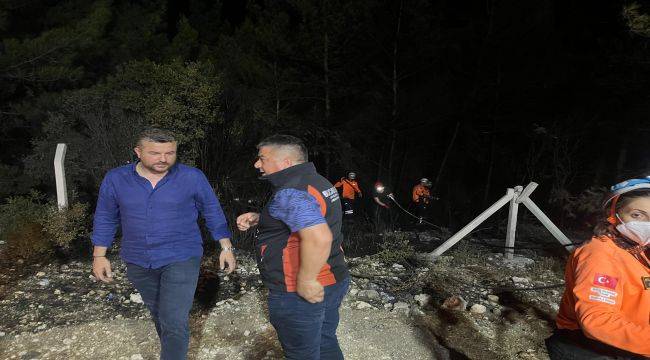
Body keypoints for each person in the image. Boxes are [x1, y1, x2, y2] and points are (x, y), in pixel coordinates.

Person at [91, 128, 236, 360]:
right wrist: (99, 256)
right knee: (159, 314)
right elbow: (105, 217)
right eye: (155, 153)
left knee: (174, 320)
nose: (163, 159)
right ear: (138, 152)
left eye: (170, 153)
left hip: (181, 255)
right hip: (137, 259)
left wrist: (226, 247)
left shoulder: (192, 177)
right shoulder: (116, 179)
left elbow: (212, 210)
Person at [236, 134, 350, 360]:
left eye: (262, 158)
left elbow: (319, 237)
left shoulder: (290, 192)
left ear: (285, 162)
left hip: (298, 289)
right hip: (334, 277)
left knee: (301, 354)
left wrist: (306, 281)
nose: (257, 164)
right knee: (325, 341)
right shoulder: (316, 181)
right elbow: (314, 217)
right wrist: (263, 218)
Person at [546, 176, 650, 359]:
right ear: (613, 214)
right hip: (591, 344)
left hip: (634, 335)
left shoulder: (636, 251)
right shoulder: (599, 254)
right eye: (637, 215)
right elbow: (598, 321)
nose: (646, 225)